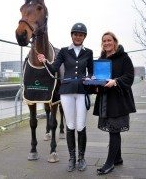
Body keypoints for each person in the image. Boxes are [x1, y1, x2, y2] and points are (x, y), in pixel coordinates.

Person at [37, 22, 93, 172]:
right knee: (70, 126)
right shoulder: (63, 51)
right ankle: (72, 158)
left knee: (81, 126)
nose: (78, 37)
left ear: (84, 37)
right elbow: (54, 68)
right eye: (76, 34)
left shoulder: (89, 52)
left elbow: (91, 72)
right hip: (66, 92)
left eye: (81, 35)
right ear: (72, 35)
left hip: (81, 92)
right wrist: (45, 62)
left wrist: (90, 78)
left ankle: (81, 158)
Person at [93, 31, 136, 175]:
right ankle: (117, 158)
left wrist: (116, 81)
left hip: (119, 100)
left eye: (109, 40)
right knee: (114, 129)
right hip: (106, 100)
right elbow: (100, 79)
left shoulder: (124, 57)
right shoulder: (101, 59)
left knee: (114, 130)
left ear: (115, 42)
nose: (106, 43)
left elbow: (129, 77)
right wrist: (95, 79)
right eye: (104, 41)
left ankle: (109, 163)